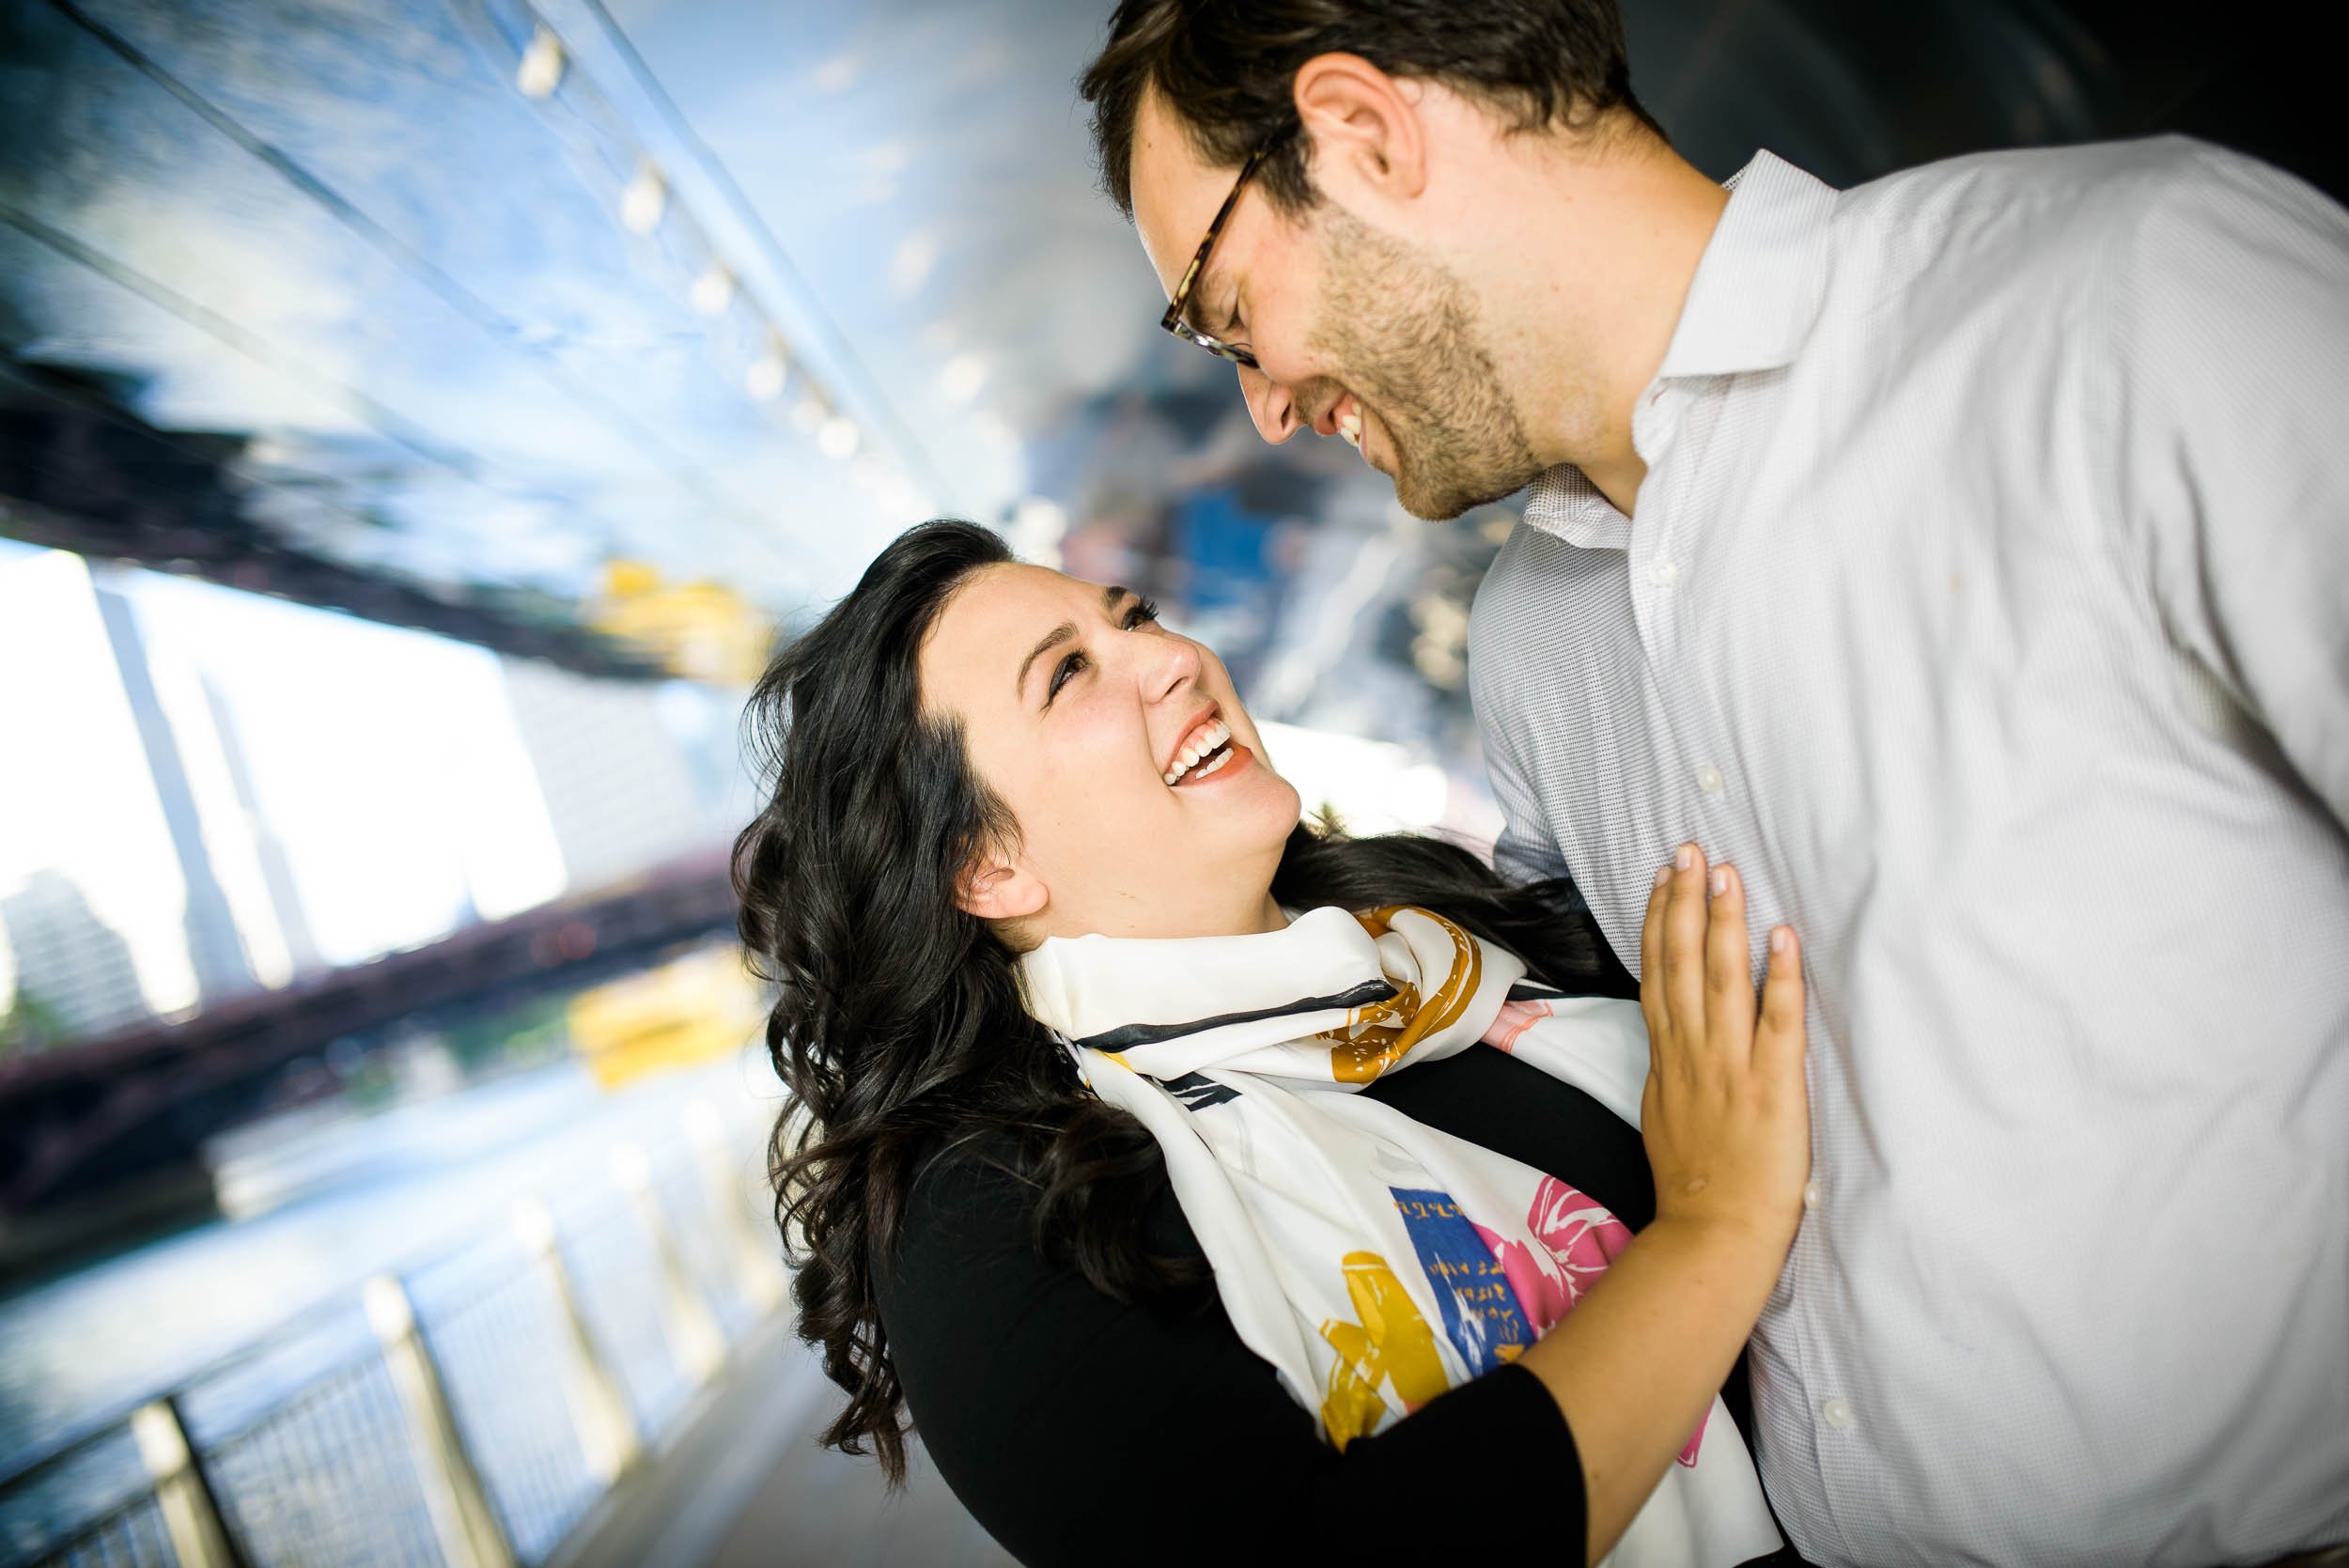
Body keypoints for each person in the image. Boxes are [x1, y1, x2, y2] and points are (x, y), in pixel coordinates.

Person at [1078, 4, 2349, 1563]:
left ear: (1365, 131)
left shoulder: (2132, 305)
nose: (1263, 401)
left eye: (1224, 310)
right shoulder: (1534, 647)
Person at [733, 519, 1813, 1566]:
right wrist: (1713, 1232)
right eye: (1067, 674)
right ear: (985, 867)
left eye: (1137, 616)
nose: (1168, 657)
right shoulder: (991, 1210)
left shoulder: (1428, 930)